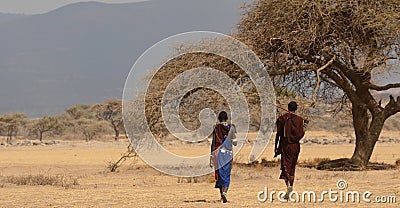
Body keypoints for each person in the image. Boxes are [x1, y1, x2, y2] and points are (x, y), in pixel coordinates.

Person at [274, 101, 308, 200]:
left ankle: (289, 186)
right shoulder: (299, 120)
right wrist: (305, 124)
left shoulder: (283, 119)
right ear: (296, 109)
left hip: (286, 146)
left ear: (288, 108)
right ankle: (290, 186)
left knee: (286, 166)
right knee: (292, 166)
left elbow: (279, 134)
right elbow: (302, 133)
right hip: (296, 146)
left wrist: (276, 148)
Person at [210, 111, 237, 203]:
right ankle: (224, 193)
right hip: (228, 154)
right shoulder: (231, 128)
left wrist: (211, 157)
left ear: (219, 119)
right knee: (226, 174)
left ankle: (222, 195)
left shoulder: (217, 128)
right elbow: (235, 142)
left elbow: (213, 143)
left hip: (219, 154)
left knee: (220, 174)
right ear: (227, 119)